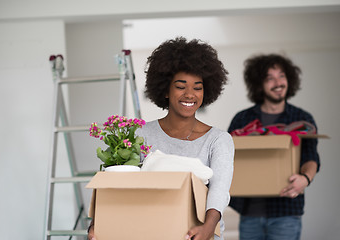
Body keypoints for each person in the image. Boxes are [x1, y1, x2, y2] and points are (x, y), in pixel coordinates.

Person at [87, 37, 234, 240]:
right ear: (166, 90)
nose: (190, 94)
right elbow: (120, 183)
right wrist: (99, 224)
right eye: (181, 86)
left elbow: (219, 191)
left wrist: (208, 228)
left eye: (197, 87)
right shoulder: (141, 135)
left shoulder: (218, 140)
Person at [228, 53, 320, 240]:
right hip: (249, 214)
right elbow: (227, 157)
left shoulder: (302, 120)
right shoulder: (243, 119)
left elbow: (311, 157)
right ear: (259, 85)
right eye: (269, 78)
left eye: (281, 76)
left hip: (285, 212)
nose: (277, 82)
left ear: (289, 79)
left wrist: (305, 179)